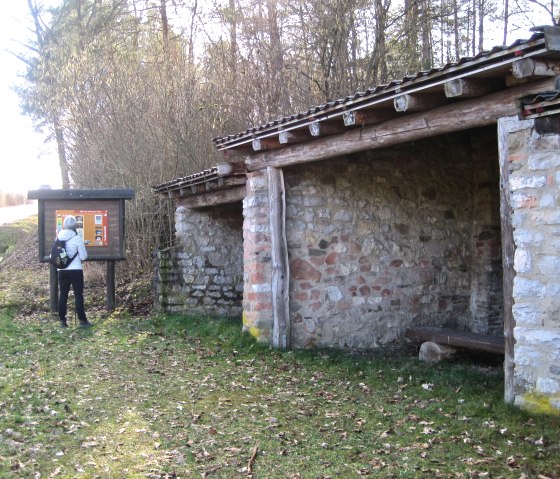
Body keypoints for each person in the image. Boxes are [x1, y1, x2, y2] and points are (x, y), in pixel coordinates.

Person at [57, 215, 91, 328]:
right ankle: (82, 320)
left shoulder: (58, 238)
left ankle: (62, 320)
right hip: (76, 270)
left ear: (64, 225)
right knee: (78, 294)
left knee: (63, 294)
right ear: (75, 226)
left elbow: (54, 255)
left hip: (62, 270)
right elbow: (84, 256)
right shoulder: (76, 238)